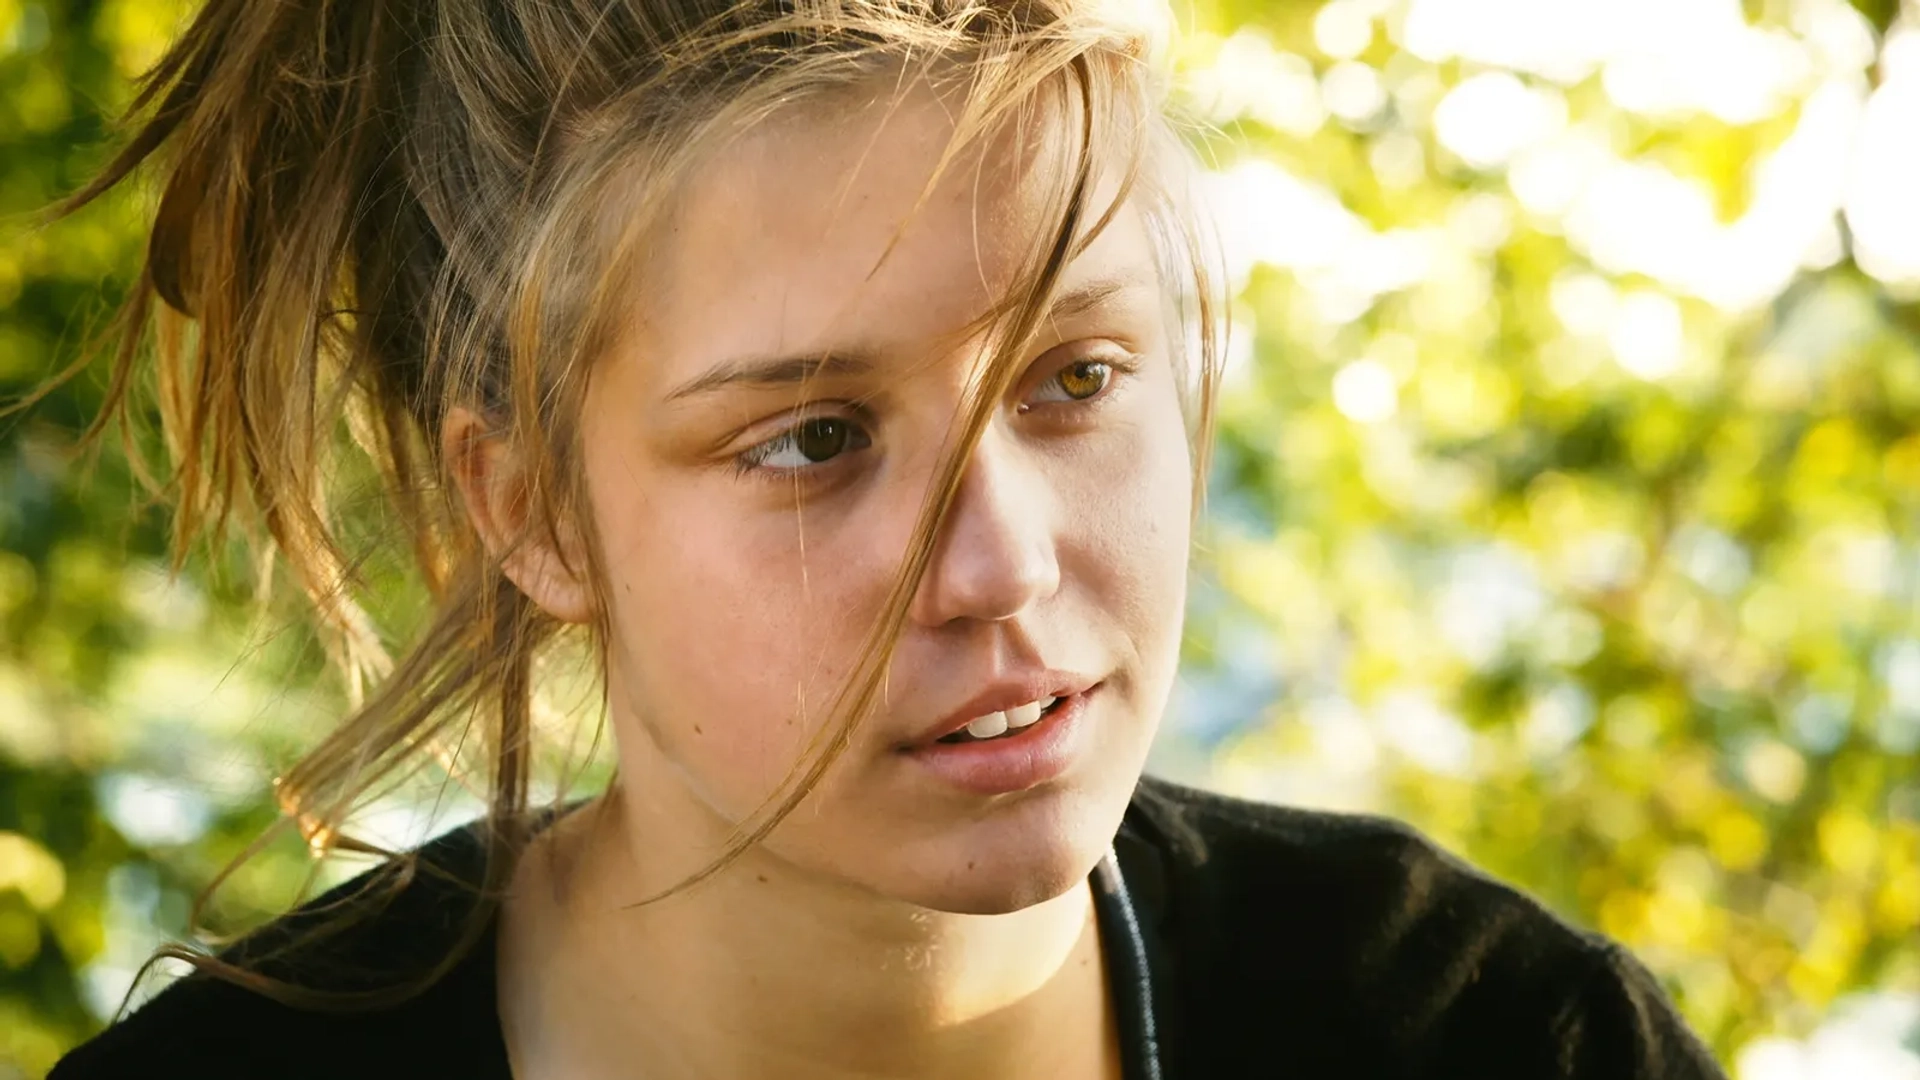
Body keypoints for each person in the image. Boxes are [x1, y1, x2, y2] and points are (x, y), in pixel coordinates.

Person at [39, 0, 1727, 1077]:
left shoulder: (1497, 1043)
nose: (1004, 563)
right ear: (530, 508)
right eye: (816, 441)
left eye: (1076, 380)